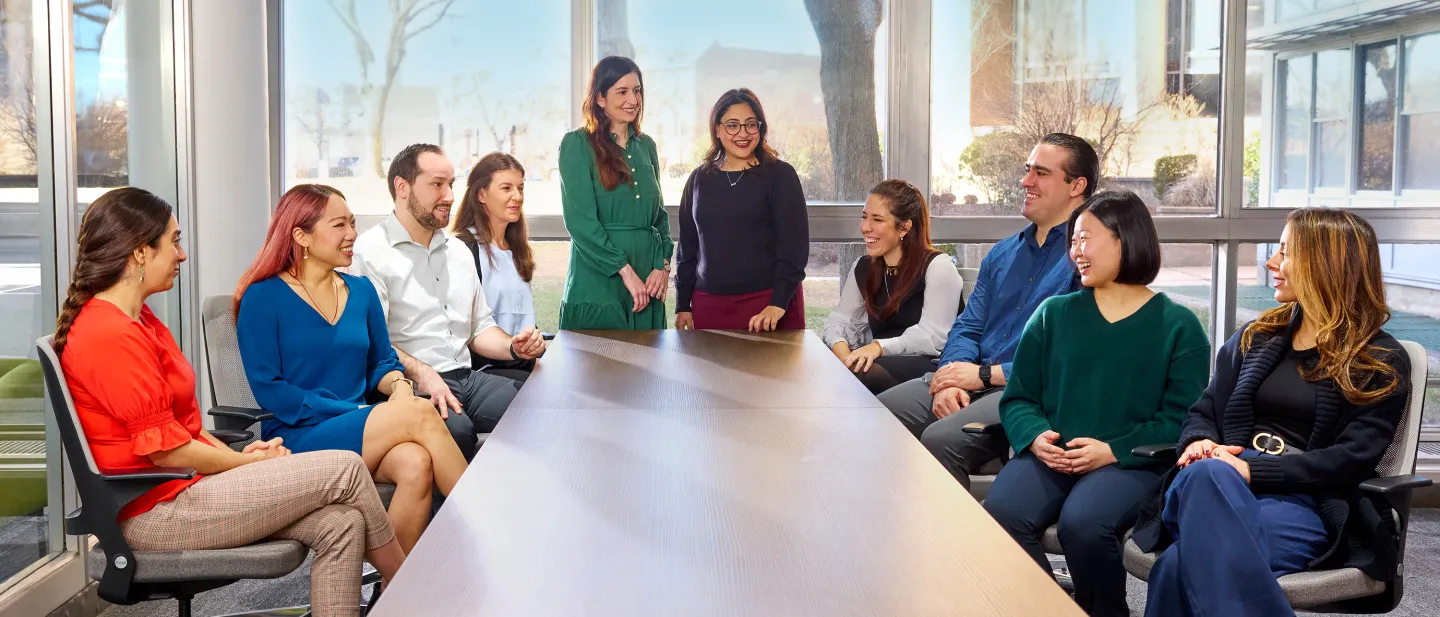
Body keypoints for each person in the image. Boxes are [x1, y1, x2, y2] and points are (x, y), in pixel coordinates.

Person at [57, 187, 404, 617]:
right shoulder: (108, 333)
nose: (182, 255)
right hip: (153, 515)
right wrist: (249, 464)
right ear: (140, 252)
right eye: (174, 241)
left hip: (183, 491)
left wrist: (240, 452)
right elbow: (166, 450)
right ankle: (413, 595)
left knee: (343, 522)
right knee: (346, 468)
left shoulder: (141, 319)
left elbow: (180, 428)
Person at [1135, 208, 1412, 617]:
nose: (1270, 263)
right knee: (1209, 474)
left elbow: (1355, 457)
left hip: (1303, 503)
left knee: (1178, 567)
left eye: (1284, 251)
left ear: (1325, 263)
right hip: (1206, 484)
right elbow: (1204, 409)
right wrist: (1199, 443)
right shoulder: (1255, 336)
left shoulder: (1378, 360)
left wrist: (1253, 471)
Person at [980, 190, 1210, 617]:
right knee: (999, 513)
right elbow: (1019, 398)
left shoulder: (1179, 326)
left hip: (1131, 463)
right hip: (1053, 455)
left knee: (1083, 524)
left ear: (1125, 238)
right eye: (1072, 241)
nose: (1075, 252)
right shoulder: (1054, 314)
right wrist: (1033, 436)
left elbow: (1183, 420)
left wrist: (1112, 450)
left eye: (1085, 238)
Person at [235, 184, 470, 552]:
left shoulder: (360, 291)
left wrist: (400, 388)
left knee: (415, 462)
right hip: (299, 435)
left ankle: (394, 596)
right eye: (339, 225)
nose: (352, 235)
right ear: (301, 236)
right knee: (421, 414)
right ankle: (483, 529)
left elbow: (382, 363)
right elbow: (270, 389)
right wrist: (360, 410)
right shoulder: (262, 297)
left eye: (353, 223)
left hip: (361, 425)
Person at [879, 133, 1093, 489]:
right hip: (969, 378)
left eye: (1041, 172)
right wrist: (950, 379)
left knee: (940, 439)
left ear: (1077, 185)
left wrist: (981, 376)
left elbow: (1069, 357)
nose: (1026, 181)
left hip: (1025, 391)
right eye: (1027, 171)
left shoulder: (1085, 260)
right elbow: (967, 327)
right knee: (866, 417)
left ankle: (952, 545)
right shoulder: (1002, 253)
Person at [351, 144, 546, 461]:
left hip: (466, 378)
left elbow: (479, 329)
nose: (450, 196)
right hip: (411, 385)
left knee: (545, 407)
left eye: (451, 184)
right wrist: (424, 374)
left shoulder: (457, 252)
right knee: (458, 433)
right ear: (402, 187)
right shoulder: (369, 252)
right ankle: (454, 511)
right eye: (436, 184)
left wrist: (514, 347)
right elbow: (373, 341)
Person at [674, 88, 808, 332]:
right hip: (710, 305)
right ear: (717, 128)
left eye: (750, 125)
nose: (743, 134)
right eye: (732, 125)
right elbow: (688, 246)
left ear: (760, 128)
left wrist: (778, 303)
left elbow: (794, 247)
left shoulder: (780, 175)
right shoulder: (698, 179)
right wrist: (683, 303)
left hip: (768, 307)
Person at [558, 56, 673, 330]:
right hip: (600, 279)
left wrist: (663, 265)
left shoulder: (647, 146)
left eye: (637, 90)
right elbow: (580, 222)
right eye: (622, 92)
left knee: (649, 367)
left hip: (647, 279)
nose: (632, 99)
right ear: (600, 98)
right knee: (602, 368)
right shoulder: (577, 144)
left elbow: (659, 216)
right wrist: (625, 271)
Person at [822, 180, 961, 394]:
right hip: (883, 360)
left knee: (860, 375)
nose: (865, 227)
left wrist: (877, 347)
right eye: (864, 217)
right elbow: (840, 320)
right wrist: (844, 357)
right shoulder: (864, 267)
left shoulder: (939, 267)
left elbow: (933, 338)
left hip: (930, 363)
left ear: (904, 227)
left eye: (877, 219)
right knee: (826, 367)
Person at [452, 152, 539, 382]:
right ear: (481, 194)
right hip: (484, 370)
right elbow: (463, 329)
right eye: (506, 188)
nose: (517, 196)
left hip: (523, 362)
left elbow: (524, 317)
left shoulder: (517, 249)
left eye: (520, 188)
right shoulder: (464, 248)